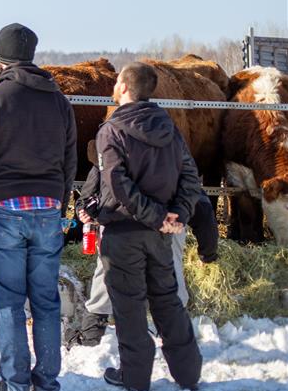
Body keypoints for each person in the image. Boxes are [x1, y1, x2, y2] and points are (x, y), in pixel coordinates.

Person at [0, 23, 76, 391]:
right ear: (32, 58)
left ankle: (15, 387)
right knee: (46, 301)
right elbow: (70, 159)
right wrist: (59, 200)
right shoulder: (59, 102)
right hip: (46, 210)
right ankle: (46, 389)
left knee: (10, 302)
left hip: (4, 210)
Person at [88, 62, 203, 391]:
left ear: (124, 87)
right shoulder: (169, 128)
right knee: (167, 301)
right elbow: (190, 177)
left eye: (116, 81)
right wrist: (175, 216)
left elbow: (117, 185)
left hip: (124, 232)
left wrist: (157, 216)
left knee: (129, 306)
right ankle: (188, 373)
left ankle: (135, 378)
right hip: (160, 234)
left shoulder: (111, 130)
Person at [69, 148, 218, 347]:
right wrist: (208, 251)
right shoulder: (174, 154)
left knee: (108, 275)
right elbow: (200, 205)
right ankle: (175, 338)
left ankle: (92, 336)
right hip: (164, 223)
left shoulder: (111, 148)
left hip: (122, 224)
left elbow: (89, 193)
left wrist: (85, 208)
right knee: (169, 276)